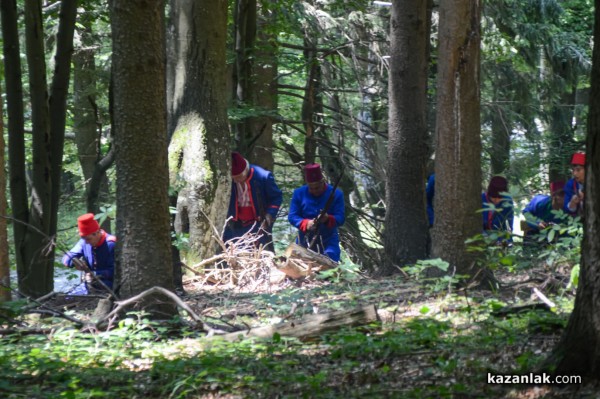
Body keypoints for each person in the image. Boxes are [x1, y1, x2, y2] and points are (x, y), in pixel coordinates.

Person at [224, 152, 283, 249]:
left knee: (260, 252)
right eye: (233, 178)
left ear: (246, 170)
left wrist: (269, 214)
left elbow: (276, 197)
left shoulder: (263, 177)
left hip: (258, 223)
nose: (235, 181)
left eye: (238, 177)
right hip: (236, 224)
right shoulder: (230, 180)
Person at [288, 163, 345, 262]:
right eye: (311, 188)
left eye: (317, 187)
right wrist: (306, 223)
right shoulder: (299, 193)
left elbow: (341, 218)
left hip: (329, 240)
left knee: (330, 267)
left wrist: (328, 219)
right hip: (304, 240)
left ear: (322, 181)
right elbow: (292, 216)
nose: (314, 191)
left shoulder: (336, 194)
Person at [62, 213, 116, 294]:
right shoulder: (84, 241)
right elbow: (66, 258)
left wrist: (94, 274)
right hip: (90, 284)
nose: (86, 242)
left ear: (97, 233)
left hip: (110, 285)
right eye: (84, 239)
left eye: (89, 239)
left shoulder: (111, 244)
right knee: (68, 298)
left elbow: (115, 271)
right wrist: (73, 261)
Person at [482, 176, 514, 241]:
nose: (497, 200)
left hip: (500, 238)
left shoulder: (507, 201)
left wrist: (507, 241)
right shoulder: (480, 199)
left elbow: (509, 224)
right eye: (494, 197)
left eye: (500, 197)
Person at [563, 152, 585, 217]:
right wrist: (572, 203)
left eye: (578, 170)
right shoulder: (570, 185)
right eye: (573, 170)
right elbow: (567, 209)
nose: (575, 173)